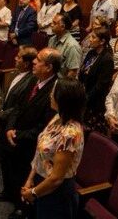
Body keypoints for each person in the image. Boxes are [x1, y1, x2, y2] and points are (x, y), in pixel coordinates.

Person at [2, 48, 59, 219]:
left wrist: (18, 135)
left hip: (32, 143)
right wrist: (10, 128)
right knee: (12, 168)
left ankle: (22, 207)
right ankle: (11, 194)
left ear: (48, 67)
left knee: (23, 174)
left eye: (39, 60)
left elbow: (44, 126)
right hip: (17, 133)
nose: (34, 61)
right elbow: (18, 106)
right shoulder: (34, 79)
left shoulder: (55, 89)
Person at [21, 79, 86, 219]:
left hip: (56, 193)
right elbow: (40, 152)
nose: (50, 95)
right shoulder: (57, 117)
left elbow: (56, 178)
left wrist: (33, 193)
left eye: (53, 92)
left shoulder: (70, 134)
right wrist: (30, 179)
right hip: (41, 182)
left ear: (63, 99)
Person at [0, 46, 37, 157]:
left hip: (13, 122)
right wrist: (0, 110)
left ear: (26, 64)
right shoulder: (15, 73)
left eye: (18, 57)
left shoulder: (31, 81)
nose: (15, 58)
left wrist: (2, 115)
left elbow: (20, 106)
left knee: (9, 155)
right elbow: (4, 96)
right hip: (4, 117)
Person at [78, 28, 113, 134]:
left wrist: (86, 98)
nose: (90, 40)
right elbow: (83, 71)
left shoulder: (107, 59)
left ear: (102, 41)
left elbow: (101, 85)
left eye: (93, 37)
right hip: (84, 94)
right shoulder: (91, 53)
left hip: (94, 102)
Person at [47, 14, 81, 78]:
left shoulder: (72, 46)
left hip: (61, 82)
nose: (51, 25)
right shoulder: (52, 39)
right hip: (51, 78)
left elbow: (72, 72)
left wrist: (61, 86)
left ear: (62, 27)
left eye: (54, 23)